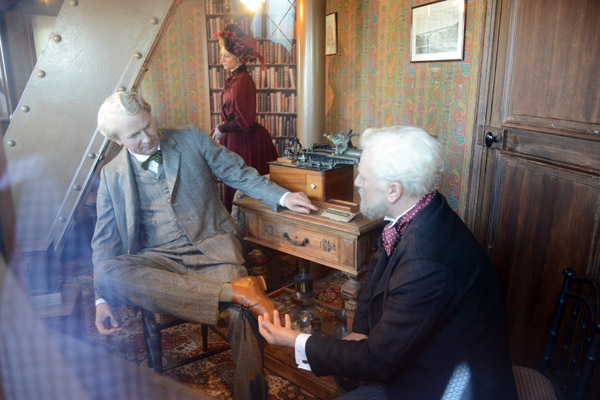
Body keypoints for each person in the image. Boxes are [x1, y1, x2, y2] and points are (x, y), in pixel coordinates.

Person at [258, 126, 517, 399]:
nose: (357, 182)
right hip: (426, 353)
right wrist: (359, 332)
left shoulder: (425, 263)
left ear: (393, 190)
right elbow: (375, 279)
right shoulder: (418, 210)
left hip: (451, 384)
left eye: (365, 177)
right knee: (344, 363)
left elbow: (379, 361)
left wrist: (292, 340)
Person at [92, 91, 317, 400]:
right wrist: (100, 300)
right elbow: (104, 239)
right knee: (106, 274)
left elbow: (235, 171)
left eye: (148, 125)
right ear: (117, 139)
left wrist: (282, 197)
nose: (146, 137)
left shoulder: (190, 138)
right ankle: (236, 291)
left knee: (242, 316)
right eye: (134, 134)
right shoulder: (110, 175)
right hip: (161, 261)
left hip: (213, 250)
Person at [211, 24, 278, 212]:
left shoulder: (243, 81)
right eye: (222, 54)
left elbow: (245, 122)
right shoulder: (234, 78)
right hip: (236, 139)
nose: (222, 59)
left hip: (246, 142)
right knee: (236, 183)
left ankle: (248, 229)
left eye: (226, 56)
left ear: (238, 58)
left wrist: (222, 128)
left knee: (244, 187)